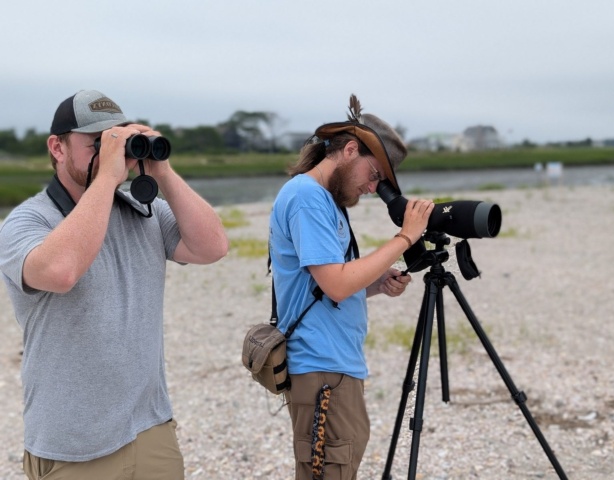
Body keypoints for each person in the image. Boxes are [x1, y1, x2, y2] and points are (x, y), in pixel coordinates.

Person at [0, 89, 228, 480]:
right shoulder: (27, 221)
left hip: (150, 426)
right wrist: (107, 177)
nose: (112, 153)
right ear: (57, 147)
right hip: (73, 444)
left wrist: (162, 172)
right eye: (98, 143)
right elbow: (60, 272)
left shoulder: (144, 210)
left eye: (117, 140)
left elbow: (213, 247)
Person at [269, 94, 434, 479]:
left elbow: (328, 285)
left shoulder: (325, 200)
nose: (373, 188)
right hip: (320, 366)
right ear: (349, 150)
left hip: (334, 365)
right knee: (330, 470)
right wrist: (406, 237)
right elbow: (338, 285)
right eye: (374, 174)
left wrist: (376, 283)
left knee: (340, 465)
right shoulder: (307, 197)